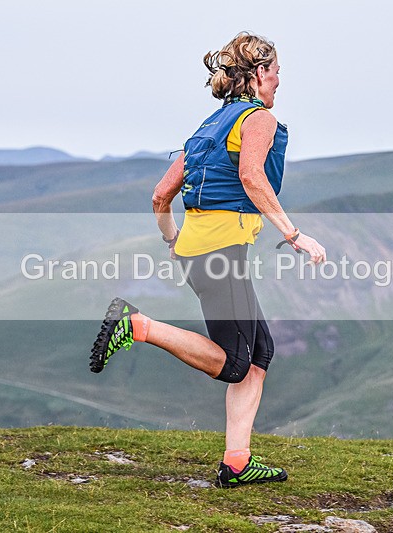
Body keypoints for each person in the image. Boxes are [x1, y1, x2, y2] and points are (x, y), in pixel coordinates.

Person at [89, 31, 325, 488]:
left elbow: (160, 195)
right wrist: (294, 235)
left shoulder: (205, 128)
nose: (279, 81)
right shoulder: (257, 119)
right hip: (221, 252)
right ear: (258, 75)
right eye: (276, 73)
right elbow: (252, 176)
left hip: (199, 250)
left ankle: (236, 463)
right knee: (235, 363)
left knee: (259, 355)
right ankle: (137, 326)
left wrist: (173, 239)